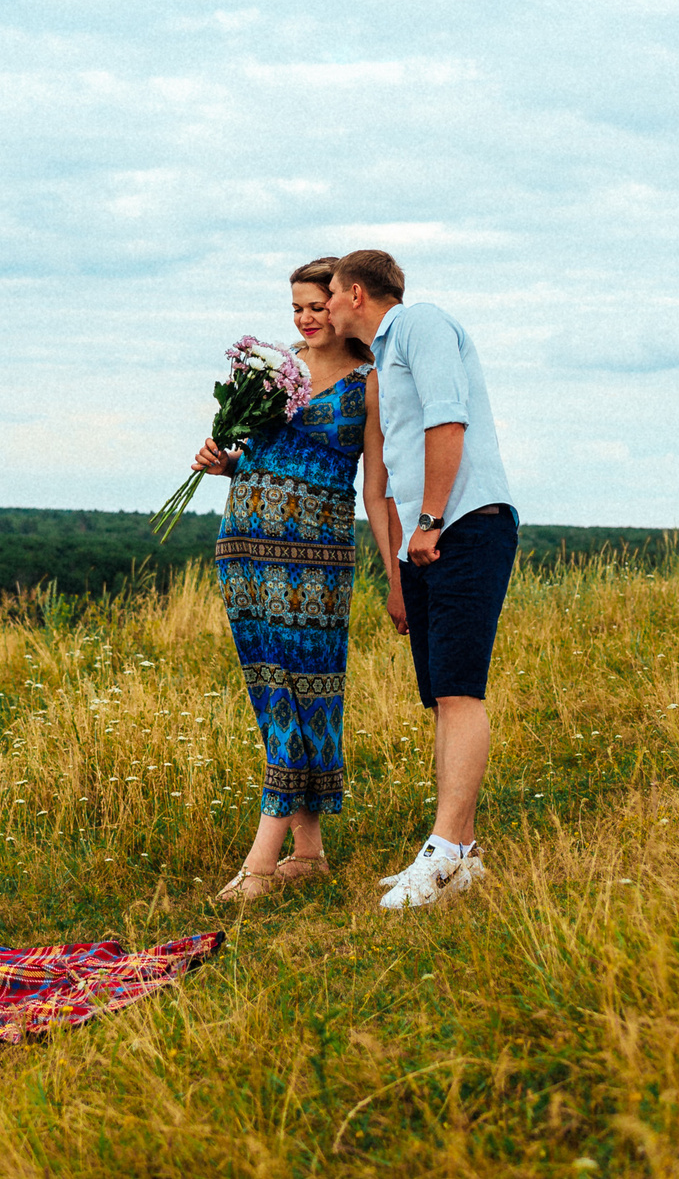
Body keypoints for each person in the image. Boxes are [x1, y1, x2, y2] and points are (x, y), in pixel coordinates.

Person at [323, 249, 517, 911]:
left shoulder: (419, 324)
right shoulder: (382, 359)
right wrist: (402, 563)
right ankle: (456, 853)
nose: (323, 308)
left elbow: (447, 418)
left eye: (328, 296)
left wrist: (431, 518)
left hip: (464, 523)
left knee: (460, 690)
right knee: (440, 694)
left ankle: (442, 853)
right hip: (427, 541)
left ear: (354, 292)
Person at [191, 256, 374, 901]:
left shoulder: (372, 381)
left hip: (317, 557)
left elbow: (376, 488)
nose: (305, 319)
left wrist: (400, 570)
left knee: (307, 691)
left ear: (347, 303)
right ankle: (309, 851)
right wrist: (225, 460)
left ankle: (261, 865)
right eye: (296, 307)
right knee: (271, 688)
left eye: (317, 306)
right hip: (245, 542)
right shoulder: (274, 368)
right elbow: (258, 453)